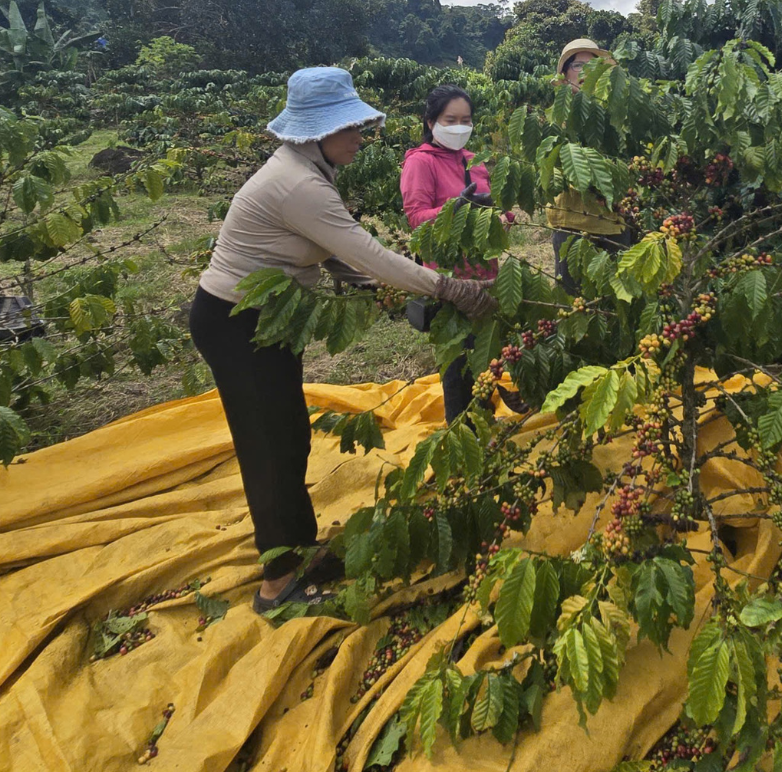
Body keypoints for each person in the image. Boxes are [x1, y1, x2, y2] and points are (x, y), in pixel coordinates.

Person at [190, 67, 496, 615]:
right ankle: (278, 582)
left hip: (270, 317)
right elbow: (366, 254)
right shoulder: (300, 184)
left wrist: (384, 290)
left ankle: (298, 547)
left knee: (287, 434)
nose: (360, 137)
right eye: (350, 127)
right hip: (238, 320)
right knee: (269, 446)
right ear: (316, 132)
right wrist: (450, 289)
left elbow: (335, 256)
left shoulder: (307, 169)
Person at [400, 84, 513, 425]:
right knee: (456, 363)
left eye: (466, 120)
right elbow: (417, 218)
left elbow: (497, 206)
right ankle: (460, 431)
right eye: (451, 119)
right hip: (449, 281)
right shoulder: (420, 162)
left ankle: (484, 423)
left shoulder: (474, 161)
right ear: (431, 121)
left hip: (485, 275)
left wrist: (503, 217)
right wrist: (457, 208)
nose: (459, 127)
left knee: (484, 357)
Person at [548, 38, 632, 292]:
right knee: (574, 300)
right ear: (564, 74)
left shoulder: (618, 113)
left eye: (593, 65)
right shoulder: (556, 117)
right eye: (578, 65)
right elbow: (557, 169)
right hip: (574, 224)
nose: (585, 71)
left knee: (619, 296)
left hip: (614, 222)